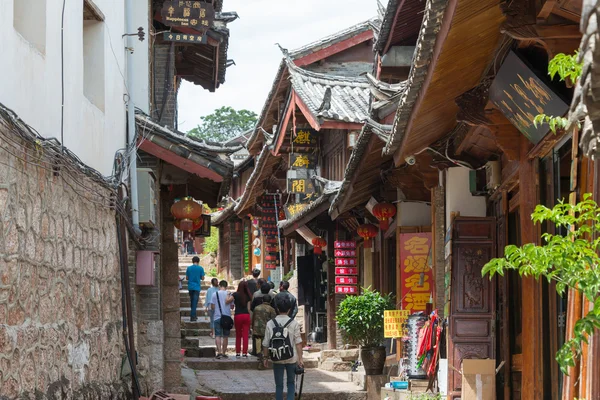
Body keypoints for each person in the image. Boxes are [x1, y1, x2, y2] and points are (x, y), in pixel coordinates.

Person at [263, 296, 304, 400]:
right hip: (291, 357)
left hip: (276, 357)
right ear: (289, 309)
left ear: (277, 309)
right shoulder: (294, 323)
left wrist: (265, 357)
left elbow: (266, 343)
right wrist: (300, 359)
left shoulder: (270, 323)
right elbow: (298, 342)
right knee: (291, 383)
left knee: (279, 385)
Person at [230, 281, 253, 357]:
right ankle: (244, 352)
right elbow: (249, 308)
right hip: (246, 315)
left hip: (238, 315)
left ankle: (237, 352)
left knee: (238, 335)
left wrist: (227, 294)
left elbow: (228, 300)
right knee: (246, 335)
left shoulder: (235, 294)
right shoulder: (248, 296)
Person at [211, 280, 233, 359]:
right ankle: (224, 352)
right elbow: (232, 306)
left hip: (217, 317)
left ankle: (219, 352)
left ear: (219, 286)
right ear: (226, 286)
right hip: (227, 317)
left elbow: (212, 307)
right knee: (225, 336)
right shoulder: (229, 294)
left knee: (217, 335)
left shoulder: (215, 294)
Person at [252, 295, 276, 361]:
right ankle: (265, 354)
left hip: (257, 329)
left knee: (258, 341)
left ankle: (259, 354)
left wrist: (252, 327)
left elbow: (253, 318)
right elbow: (274, 320)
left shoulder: (256, 308)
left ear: (262, 300)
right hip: (267, 329)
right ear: (270, 301)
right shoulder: (271, 309)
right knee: (266, 342)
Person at [185, 256, 205, 322]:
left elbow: (187, 278)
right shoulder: (200, 268)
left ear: (192, 261)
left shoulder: (189, 268)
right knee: (195, 302)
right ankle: (193, 316)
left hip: (190, 287)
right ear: (198, 261)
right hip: (197, 287)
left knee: (192, 301)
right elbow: (202, 278)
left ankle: (194, 315)